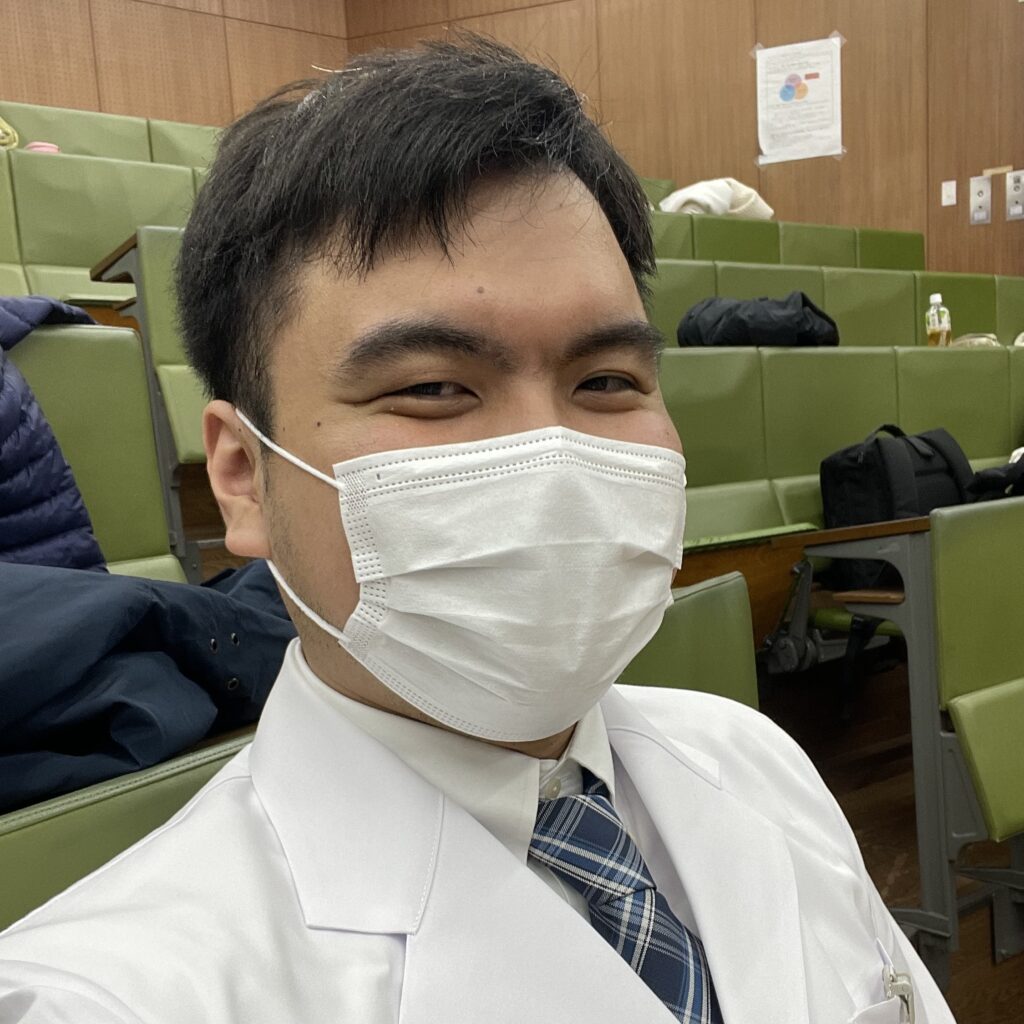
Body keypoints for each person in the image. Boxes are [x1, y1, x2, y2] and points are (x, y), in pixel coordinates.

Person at [0, 37, 955, 1024]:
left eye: (605, 381)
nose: (552, 464)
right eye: (432, 388)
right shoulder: (103, 999)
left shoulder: (752, 759)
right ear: (243, 478)